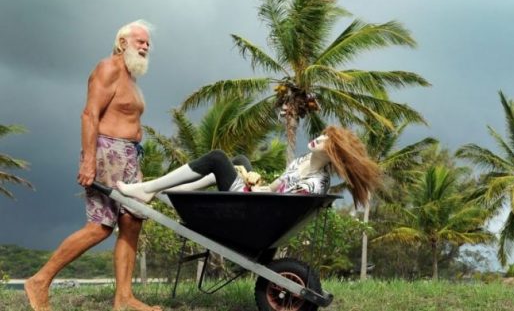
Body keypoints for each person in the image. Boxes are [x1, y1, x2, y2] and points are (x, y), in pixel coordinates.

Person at [25, 20, 161, 311]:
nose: (146, 46)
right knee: (100, 227)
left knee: (132, 222)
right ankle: (40, 280)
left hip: (129, 156)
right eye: (140, 41)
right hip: (105, 152)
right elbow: (89, 115)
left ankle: (124, 298)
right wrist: (88, 161)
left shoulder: (132, 80)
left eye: (148, 43)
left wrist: (134, 163)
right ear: (123, 43)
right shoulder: (107, 68)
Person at [117, 126, 382, 208]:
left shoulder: (316, 183)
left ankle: (148, 189)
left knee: (218, 158)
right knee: (242, 160)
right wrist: (256, 181)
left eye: (327, 141)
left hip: (254, 208)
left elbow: (280, 206)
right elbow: (277, 187)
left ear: (334, 154)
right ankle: (179, 192)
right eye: (323, 134)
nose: (319, 138)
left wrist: (254, 191)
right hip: (258, 199)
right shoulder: (303, 160)